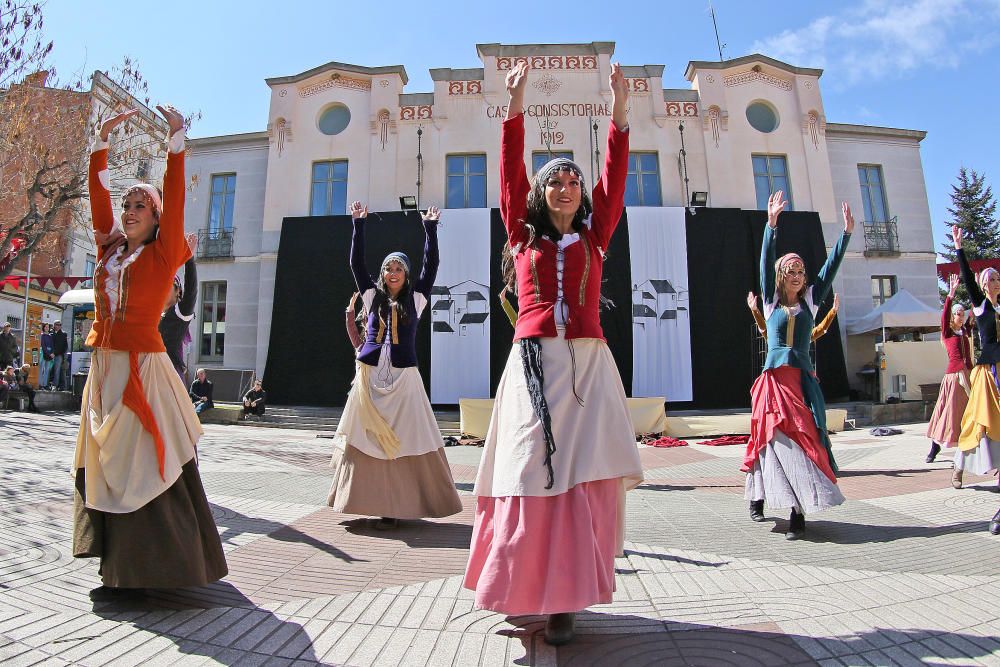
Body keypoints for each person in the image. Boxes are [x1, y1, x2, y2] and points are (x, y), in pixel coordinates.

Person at [462, 61, 643, 646]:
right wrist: (514, 107)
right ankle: (520, 582)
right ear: (542, 195)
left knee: (579, 477)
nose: (565, 187)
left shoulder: (595, 236)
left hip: (587, 366)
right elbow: (509, 176)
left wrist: (617, 109)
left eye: (573, 181)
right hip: (534, 364)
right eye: (555, 181)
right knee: (526, 470)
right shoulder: (522, 235)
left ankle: (564, 601)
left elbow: (615, 177)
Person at [72, 105, 227, 599]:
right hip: (104, 370)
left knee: (144, 464)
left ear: (157, 216)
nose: (130, 210)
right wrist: (99, 148)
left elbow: (176, 197)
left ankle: (154, 569)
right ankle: (116, 565)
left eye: (141, 205)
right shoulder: (109, 251)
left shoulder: (162, 254)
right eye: (127, 204)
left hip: (143, 369)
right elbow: (98, 197)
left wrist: (175, 144)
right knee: (108, 463)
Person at [327, 200, 462, 530]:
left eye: (398, 268)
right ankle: (363, 499)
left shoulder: (417, 298)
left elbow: (432, 266)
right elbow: (356, 264)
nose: (392, 273)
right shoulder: (372, 297)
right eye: (388, 269)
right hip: (370, 378)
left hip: (404, 379)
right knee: (366, 438)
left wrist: (430, 229)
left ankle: (397, 506)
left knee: (407, 439)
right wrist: (358, 224)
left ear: (405, 273)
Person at [743, 191, 854, 539]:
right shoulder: (772, 299)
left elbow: (829, 268)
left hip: (800, 383)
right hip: (773, 381)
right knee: (766, 438)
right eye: (791, 270)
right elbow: (765, 262)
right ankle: (758, 497)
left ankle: (797, 511)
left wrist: (846, 235)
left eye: (801, 270)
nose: (797, 274)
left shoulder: (810, 300)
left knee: (803, 441)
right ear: (780, 275)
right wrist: (771, 225)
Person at [952, 225, 1000, 525]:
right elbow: (967, 279)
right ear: (984, 285)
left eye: (998, 278)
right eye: (991, 279)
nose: (995, 282)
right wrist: (959, 249)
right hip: (988, 374)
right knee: (976, 424)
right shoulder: (981, 308)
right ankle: (958, 466)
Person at [926, 274, 974, 465]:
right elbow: (944, 315)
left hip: (968, 375)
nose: (961, 316)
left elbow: (978, 311)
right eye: (958, 314)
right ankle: (934, 447)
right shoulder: (947, 332)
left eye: (963, 313)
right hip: (954, 376)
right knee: (948, 412)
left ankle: (971, 447)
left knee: (968, 411)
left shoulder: (966, 331)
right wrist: (951, 293)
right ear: (953, 316)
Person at [159, 236, 199, 382]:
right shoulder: (154, 314)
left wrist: (188, 256)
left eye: (166, 285)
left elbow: (191, 291)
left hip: (169, 375)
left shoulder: (179, 313)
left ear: (178, 291)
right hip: (151, 372)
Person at [748, 292, 840, 342]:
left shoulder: (803, 336)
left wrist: (833, 311)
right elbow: (763, 329)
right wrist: (754, 310)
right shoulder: (776, 336)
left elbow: (822, 329)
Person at [51, 320, 68, 390]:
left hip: (59, 355)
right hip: (50, 355)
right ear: (54, 325)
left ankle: (55, 385)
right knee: (49, 370)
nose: (58, 326)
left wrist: (55, 353)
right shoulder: (51, 333)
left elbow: (63, 346)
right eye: (57, 324)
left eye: (59, 325)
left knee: (57, 370)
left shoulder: (63, 334)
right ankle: (48, 384)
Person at [39, 323, 54, 389]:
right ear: (43, 328)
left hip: (50, 355)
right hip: (44, 354)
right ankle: (40, 384)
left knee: (47, 371)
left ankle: (45, 385)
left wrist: (53, 353)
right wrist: (48, 353)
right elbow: (43, 346)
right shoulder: (42, 336)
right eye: (46, 327)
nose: (47, 328)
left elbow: (52, 345)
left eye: (48, 327)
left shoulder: (50, 336)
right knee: (41, 370)